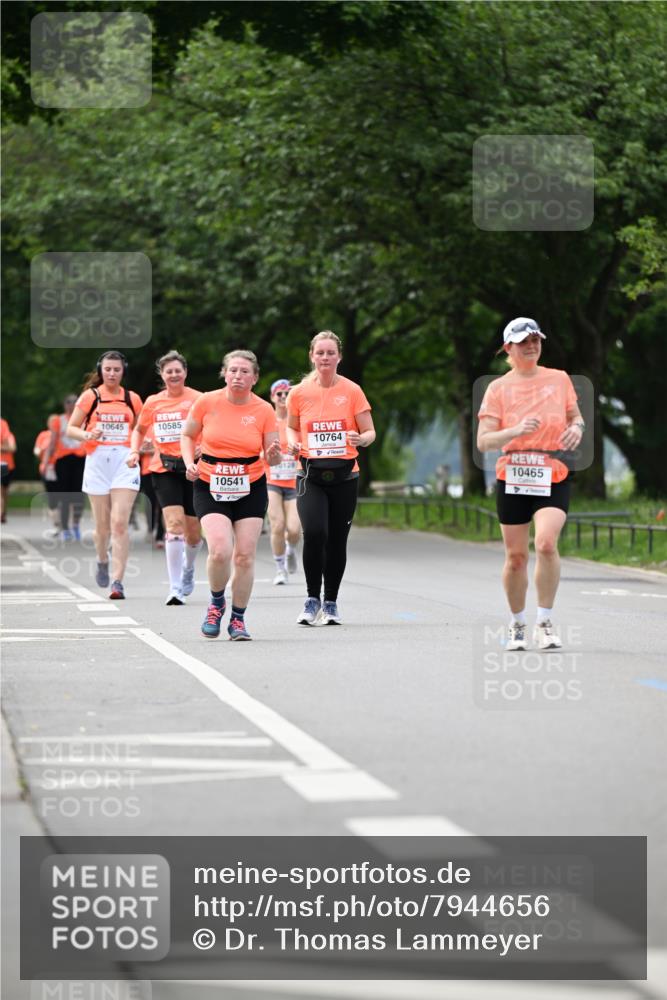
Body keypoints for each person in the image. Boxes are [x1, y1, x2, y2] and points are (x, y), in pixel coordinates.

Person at [477, 317, 585, 651]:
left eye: (536, 339)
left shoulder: (559, 379)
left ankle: (545, 620)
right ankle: (517, 623)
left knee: (547, 544)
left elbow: (576, 417)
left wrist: (578, 429)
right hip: (513, 474)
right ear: (508, 347)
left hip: (552, 471)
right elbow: (483, 441)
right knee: (516, 558)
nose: (532, 345)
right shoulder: (497, 389)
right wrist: (515, 431)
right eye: (524, 341)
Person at [181, 349, 281, 640]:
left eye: (244, 371)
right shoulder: (206, 402)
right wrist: (189, 462)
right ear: (224, 373)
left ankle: (238, 619)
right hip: (210, 483)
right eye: (233, 370)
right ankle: (215, 604)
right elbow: (187, 436)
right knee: (220, 550)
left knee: (245, 557)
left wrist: (273, 455)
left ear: (255, 378)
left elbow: (272, 458)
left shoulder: (264, 410)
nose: (238, 376)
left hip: (250, 485)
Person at [286, 331, 375, 626]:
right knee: (314, 532)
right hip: (309, 474)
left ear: (339, 357)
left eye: (330, 353)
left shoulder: (352, 390)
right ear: (311, 355)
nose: (325, 358)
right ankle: (312, 599)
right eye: (320, 353)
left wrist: (359, 439)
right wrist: (293, 442)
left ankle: (331, 602)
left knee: (337, 540)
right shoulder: (298, 392)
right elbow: (291, 428)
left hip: (345, 476)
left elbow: (370, 432)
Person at [66, 351, 142, 599]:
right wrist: (87, 435)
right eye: (107, 369)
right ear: (100, 370)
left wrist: (142, 446)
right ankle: (102, 559)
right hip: (97, 460)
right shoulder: (91, 396)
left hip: (124, 461)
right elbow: (71, 428)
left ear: (123, 371)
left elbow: (142, 430)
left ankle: (117, 581)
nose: (111, 373)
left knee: (119, 523)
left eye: (116, 369)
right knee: (102, 527)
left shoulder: (132, 399)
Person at [129, 351, 202, 605]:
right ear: (162, 375)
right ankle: (175, 587)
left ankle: (189, 568)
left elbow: (212, 427)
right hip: (163, 468)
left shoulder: (199, 399)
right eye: (168, 371)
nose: (173, 375)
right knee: (174, 525)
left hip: (193, 468)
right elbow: (138, 430)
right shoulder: (153, 402)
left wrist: (205, 446)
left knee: (194, 533)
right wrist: (134, 451)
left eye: (177, 370)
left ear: (185, 373)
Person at [265, 378, 301, 585]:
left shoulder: (296, 421)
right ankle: (280, 569)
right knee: (277, 526)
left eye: (287, 393)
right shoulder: (268, 421)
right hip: (272, 480)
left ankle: (290, 550)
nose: (283, 397)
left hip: (294, 481)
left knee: (294, 530)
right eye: (279, 393)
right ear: (272, 397)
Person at [47, 395, 86, 540]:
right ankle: (64, 527)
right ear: (64, 405)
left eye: (75, 402)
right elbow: (52, 442)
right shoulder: (59, 420)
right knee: (64, 496)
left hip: (80, 459)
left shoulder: (84, 420)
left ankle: (75, 524)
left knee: (79, 495)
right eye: (68, 402)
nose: (71, 405)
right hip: (63, 460)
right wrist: (47, 463)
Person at [34, 420, 60, 535]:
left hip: (60, 468)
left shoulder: (62, 436)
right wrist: (41, 451)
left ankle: (65, 523)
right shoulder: (43, 435)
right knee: (51, 496)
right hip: (47, 468)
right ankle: (56, 524)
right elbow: (36, 449)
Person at [1, 417, 17, 524]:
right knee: (1, 492)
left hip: (6, 465)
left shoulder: (10, 436)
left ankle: (3, 512)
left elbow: (12, 448)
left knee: (4, 492)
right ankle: (2, 513)